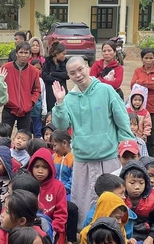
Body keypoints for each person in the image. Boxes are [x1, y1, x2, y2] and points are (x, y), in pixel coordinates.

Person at [53, 56, 135, 228]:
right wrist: (59, 103)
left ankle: (114, 230)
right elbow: (61, 126)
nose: (78, 75)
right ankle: (86, 233)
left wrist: (128, 147)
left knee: (111, 198)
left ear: (88, 67)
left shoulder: (105, 90)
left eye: (80, 69)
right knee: (83, 200)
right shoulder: (69, 99)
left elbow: (121, 119)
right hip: (82, 159)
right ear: (69, 76)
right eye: (73, 73)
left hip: (108, 156)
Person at [130, 48, 154, 157]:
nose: (148, 60)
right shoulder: (138, 71)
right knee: (139, 128)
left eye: (151, 58)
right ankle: (138, 152)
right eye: (146, 58)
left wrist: (141, 82)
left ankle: (152, 153)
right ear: (142, 59)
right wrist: (150, 84)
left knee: (153, 130)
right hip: (139, 107)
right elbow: (133, 86)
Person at [2, 42, 41, 133]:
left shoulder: (34, 71)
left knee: (24, 138)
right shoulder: (6, 68)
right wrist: (4, 100)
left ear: (30, 55)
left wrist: (30, 102)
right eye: (21, 52)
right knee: (4, 136)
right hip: (9, 108)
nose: (23, 55)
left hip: (25, 110)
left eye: (26, 53)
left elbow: (37, 90)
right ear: (16, 53)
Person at [42, 42, 69, 112]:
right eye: (63, 54)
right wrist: (59, 78)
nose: (64, 56)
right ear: (57, 54)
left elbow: (67, 75)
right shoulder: (47, 61)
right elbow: (45, 76)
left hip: (62, 89)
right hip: (50, 91)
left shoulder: (66, 62)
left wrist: (53, 73)